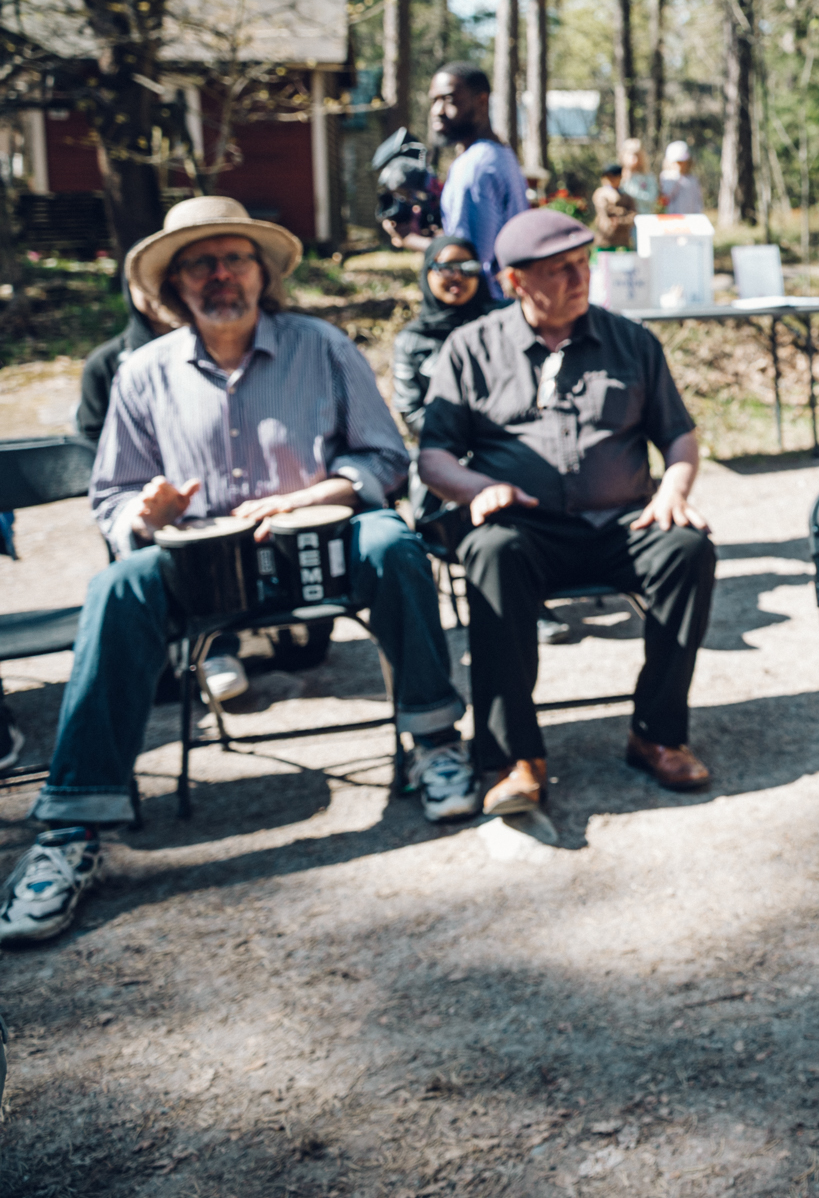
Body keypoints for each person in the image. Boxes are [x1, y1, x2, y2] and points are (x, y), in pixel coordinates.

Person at [0, 197, 476, 947]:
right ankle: (71, 830)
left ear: (263, 273)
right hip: (202, 563)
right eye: (200, 262)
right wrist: (146, 511)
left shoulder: (320, 345)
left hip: (318, 546)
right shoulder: (142, 373)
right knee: (115, 588)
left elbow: (385, 455)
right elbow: (113, 496)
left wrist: (326, 489)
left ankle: (436, 743)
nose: (221, 274)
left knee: (391, 543)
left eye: (235, 258)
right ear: (175, 284)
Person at [417, 208, 716, 816]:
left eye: (582, 265)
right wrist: (477, 488)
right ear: (514, 282)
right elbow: (433, 457)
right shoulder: (470, 348)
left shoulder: (630, 340)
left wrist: (674, 491)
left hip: (622, 524)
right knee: (492, 554)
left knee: (688, 551)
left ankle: (656, 734)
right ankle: (513, 758)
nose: (578, 280)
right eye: (558, 271)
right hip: (523, 528)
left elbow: (678, 436)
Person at [392, 235, 504, 438]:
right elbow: (412, 414)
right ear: (427, 272)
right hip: (450, 452)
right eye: (446, 267)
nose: (458, 276)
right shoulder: (411, 341)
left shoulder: (500, 324)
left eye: (468, 267)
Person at [426, 65, 527, 284]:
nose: (437, 111)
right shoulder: (500, 153)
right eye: (434, 101)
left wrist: (410, 239)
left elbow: (467, 263)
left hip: (483, 305)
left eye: (449, 100)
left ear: (482, 101)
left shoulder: (474, 166)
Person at [74, 281, 168, 446]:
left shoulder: (221, 357)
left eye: (165, 281)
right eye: (144, 282)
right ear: (129, 288)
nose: (156, 293)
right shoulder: (103, 364)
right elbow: (93, 437)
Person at [591, 165, 637, 249]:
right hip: (605, 240)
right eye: (608, 177)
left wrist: (620, 221)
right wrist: (623, 211)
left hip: (623, 241)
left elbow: (633, 216)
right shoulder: (601, 193)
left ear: (620, 177)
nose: (611, 179)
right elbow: (605, 211)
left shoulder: (627, 197)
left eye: (614, 176)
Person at [656, 141, 703, 216]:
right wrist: (676, 176)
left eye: (682, 162)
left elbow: (697, 201)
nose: (680, 165)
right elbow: (665, 196)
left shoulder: (693, 180)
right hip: (671, 219)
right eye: (677, 162)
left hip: (689, 219)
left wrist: (698, 216)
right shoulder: (665, 177)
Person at [617, 138, 659, 217]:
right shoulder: (618, 175)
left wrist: (632, 193)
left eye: (637, 154)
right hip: (625, 220)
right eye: (631, 154)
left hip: (644, 217)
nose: (634, 158)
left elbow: (652, 198)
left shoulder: (648, 177)